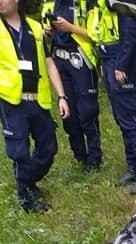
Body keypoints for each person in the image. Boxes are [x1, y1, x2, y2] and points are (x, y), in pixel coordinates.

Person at [55, 0, 136, 190]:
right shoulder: (100, 3)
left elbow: (130, 33)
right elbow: (100, 32)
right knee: (121, 119)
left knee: (130, 119)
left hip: (120, 61)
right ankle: (133, 167)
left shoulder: (121, 2)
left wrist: (122, 65)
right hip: (108, 59)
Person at [0, 0, 69, 211]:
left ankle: (27, 180)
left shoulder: (35, 27)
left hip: (38, 99)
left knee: (48, 148)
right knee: (19, 151)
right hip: (11, 100)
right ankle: (27, 199)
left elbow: (48, 62)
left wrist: (61, 96)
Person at [42, 0, 101, 173]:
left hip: (81, 59)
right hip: (59, 60)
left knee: (87, 112)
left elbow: (97, 34)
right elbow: (42, 38)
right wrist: (48, 33)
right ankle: (80, 157)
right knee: (68, 115)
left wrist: (70, 28)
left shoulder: (86, 3)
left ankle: (94, 159)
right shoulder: (50, 4)